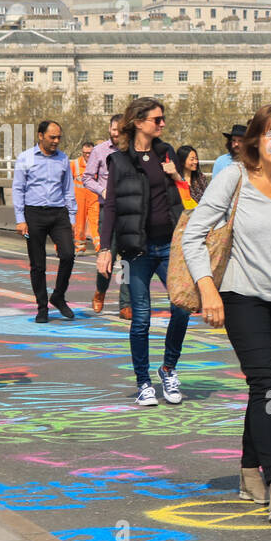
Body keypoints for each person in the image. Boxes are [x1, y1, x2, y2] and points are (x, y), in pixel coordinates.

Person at [184, 104, 271, 523]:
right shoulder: (234, 177)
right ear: (254, 141)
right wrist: (207, 287)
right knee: (265, 383)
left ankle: (249, 469)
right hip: (242, 297)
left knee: (266, 387)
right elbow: (194, 235)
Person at [96, 97, 190, 407]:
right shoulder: (119, 160)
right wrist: (105, 248)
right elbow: (111, 206)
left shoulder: (167, 153)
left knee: (183, 306)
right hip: (137, 249)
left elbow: (184, 196)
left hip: (169, 247)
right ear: (139, 122)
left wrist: (175, 175)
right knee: (141, 319)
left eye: (163, 119)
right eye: (156, 119)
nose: (162, 124)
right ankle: (143, 382)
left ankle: (168, 369)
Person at [13, 120, 76, 323]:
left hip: (59, 214)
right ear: (40, 136)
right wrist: (20, 219)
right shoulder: (25, 158)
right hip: (34, 215)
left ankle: (58, 295)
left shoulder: (63, 159)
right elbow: (18, 189)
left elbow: (68, 189)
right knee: (38, 264)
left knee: (68, 254)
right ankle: (42, 307)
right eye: (52, 137)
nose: (56, 141)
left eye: (59, 137)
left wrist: (72, 217)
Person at [82, 114, 131, 317]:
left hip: (129, 211)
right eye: (114, 130)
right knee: (107, 255)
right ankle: (101, 290)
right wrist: (102, 190)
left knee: (129, 258)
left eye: (120, 130)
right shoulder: (99, 151)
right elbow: (87, 178)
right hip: (107, 211)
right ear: (109, 130)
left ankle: (126, 303)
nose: (117, 133)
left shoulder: (131, 151)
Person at [71, 140, 100, 254]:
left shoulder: (98, 164)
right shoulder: (75, 164)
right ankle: (80, 247)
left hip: (94, 198)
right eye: (85, 153)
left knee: (96, 222)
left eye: (90, 153)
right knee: (80, 223)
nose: (87, 155)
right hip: (79, 198)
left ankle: (100, 247)